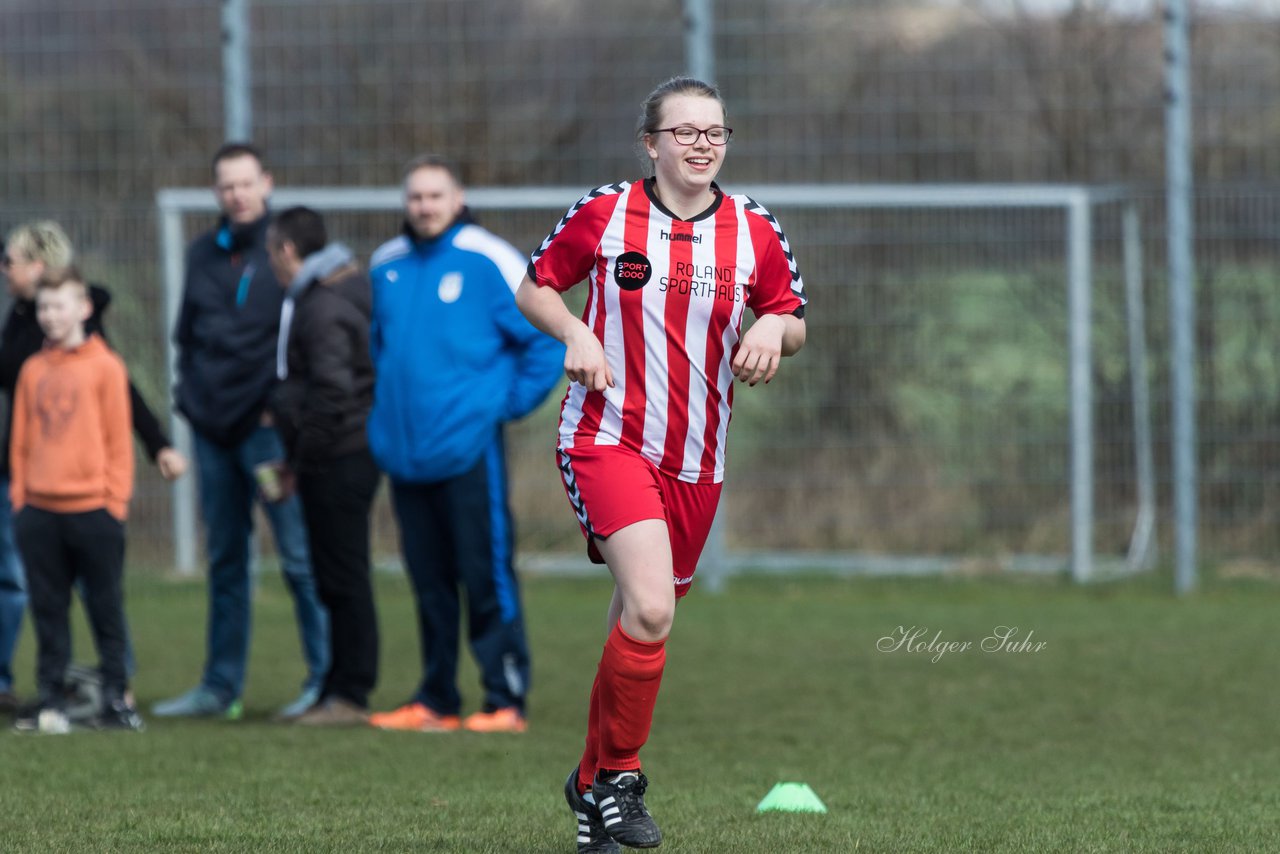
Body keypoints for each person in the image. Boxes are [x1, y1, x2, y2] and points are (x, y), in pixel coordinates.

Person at [514, 77, 808, 851]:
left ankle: (589, 787)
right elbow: (535, 288)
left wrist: (774, 333)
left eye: (715, 132)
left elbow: (789, 312)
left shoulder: (753, 228)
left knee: (633, 622)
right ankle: (620, 778)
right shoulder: (608, 211)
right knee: (650, 609)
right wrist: (574, 333)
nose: (702, 144)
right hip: (606, 436)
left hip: (698, 459)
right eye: (685, 132)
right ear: (652, 143)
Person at [366, 154, 564, 735]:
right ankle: (435, 697)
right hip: (406, 454)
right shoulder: (386, 265)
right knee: (427, 579)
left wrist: (499, 407)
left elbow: (546, 342)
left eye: (435, 195)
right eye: (415, 196)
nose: (424, 206)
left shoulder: (489, 258)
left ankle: (504, 697)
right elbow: (380, 351)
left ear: (458, 198)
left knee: (485, 573)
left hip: (469, 450)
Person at [155, 143, 329, 720]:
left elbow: (301, 341)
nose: (237, 194)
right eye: (226, 185)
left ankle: (324, 684)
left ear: (267, 183)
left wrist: (279, 411)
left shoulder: (286, 252)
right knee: (226, 559)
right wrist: (188, 401)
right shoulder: (203, 253)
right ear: (216, 193)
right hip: (212, 436)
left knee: (300, 559)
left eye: (246, 183)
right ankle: (219, 689)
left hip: (269, 438)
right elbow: (187, 338)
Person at [0, 222, 189, 714]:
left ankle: (115, 689)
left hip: (90, 502)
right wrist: (22, 495)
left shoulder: (91, 346)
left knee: (100, 596)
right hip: (36, 497)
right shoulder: (25, 327)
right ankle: (46, 694)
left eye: (10, 260)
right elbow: (20, 417)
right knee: (44, 600)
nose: (4, 269)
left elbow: (121, 402)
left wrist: (147, 458)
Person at [10, 266, 142, 732]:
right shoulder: (32, 369)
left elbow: (118, 440)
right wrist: (22, 498)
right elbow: (21, 441)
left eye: (59, 305)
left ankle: (115, 701)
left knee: (106, 608)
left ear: (83, 308)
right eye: (43, 307)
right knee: (48, 611)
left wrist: (114, 501)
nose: (50, 315)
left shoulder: (107, 367)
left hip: (94, 511)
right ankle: (52, 700)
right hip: (40, 512)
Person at [265, 206, 380, 726]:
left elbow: (333, 393)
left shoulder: (323, 305)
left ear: (287, 251)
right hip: (336, 453)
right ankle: (336, 684)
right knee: (336, 575)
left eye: (272, 253)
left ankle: (350, 694)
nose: (273, 264)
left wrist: (301, 458)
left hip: (338, 457)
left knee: (343, 575)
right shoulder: (337, 289)